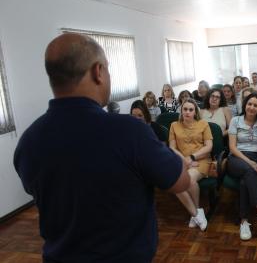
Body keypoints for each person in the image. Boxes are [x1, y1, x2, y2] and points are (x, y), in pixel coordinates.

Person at [13, 33, 190, 263]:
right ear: (98, 72)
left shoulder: (28, 141)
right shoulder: (130, 131)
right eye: (108, 69)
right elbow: (181, 182)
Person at [227, 93, 257, 240]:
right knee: (248, 170)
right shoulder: (235, 120)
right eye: (249, 104)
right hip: (237, 158)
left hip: (256, 157)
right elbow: (232, 148)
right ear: (244, 105)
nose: (252, 107)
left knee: (244, 182)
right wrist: (249, 162)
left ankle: (244, 221)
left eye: (255, 105)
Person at [169, 98, 213, 231]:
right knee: (175, 183)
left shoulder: (203, 124)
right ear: (181, 111)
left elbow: (209, 147)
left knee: (187, 179)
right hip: (183, 162)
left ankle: (195, 214)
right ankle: (197, 212)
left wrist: (193, 157)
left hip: (201, 161)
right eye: (185, 109)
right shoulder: (174, 125)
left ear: (195, 112)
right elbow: (172, 148)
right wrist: (186, 160)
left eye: (191, 109)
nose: (187, 112)